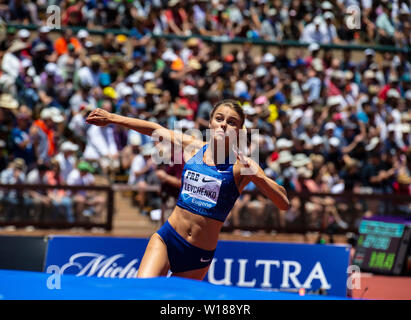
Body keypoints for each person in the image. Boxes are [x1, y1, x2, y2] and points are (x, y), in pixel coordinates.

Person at [86, 99, 289, 280]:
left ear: (238, 130)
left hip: (198, 254)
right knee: (142, 293)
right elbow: (156, 129)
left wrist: (254, 173)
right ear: (210, 122)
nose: (224, 124)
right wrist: (112, 118)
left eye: (232, 122)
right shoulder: (194, 147)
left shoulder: (241, 166)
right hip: (168, 238)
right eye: (219, 118)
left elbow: (283, 202)